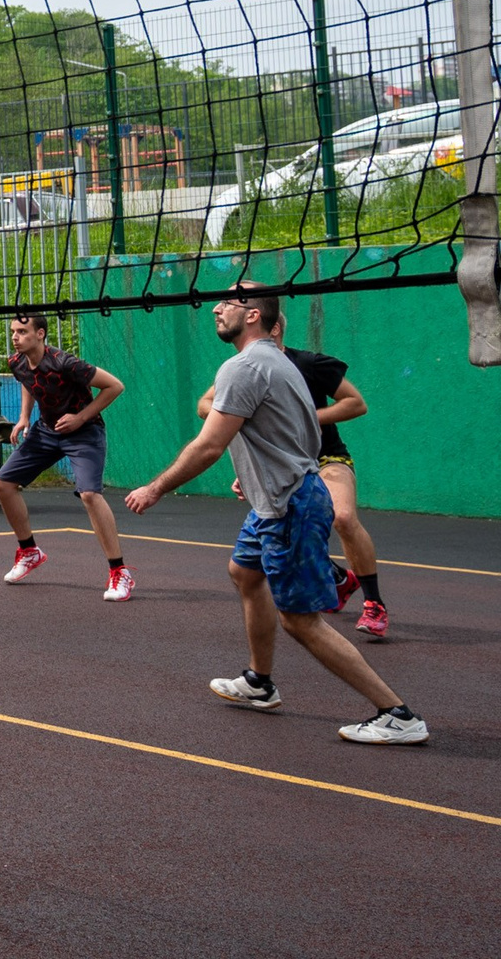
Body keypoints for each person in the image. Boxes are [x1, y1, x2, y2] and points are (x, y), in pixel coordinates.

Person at [125, 288, 426, 745]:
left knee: (300, 620)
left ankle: (397, 714)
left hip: (288, 505)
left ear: (253, 316)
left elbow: (209, 444)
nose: (215, 307)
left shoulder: (244, 367)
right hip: (277, 497)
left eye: (226, 303)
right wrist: (258, 473)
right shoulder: (277, 361)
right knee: (244, 574)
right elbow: (291, 434)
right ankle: (259, 683)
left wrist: (155, 487)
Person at [196, 317, 387, 637]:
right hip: (278, 466)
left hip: (326, 457)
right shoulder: (243, 369)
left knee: (342, 516)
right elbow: (205, 404)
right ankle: (338, 579)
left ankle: (374, 604)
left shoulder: (307, 364)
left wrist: (305, 416)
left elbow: (356, 403)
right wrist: (235, 411)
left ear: (274, 329)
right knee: (284, 531)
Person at [0, 314, 132, 599]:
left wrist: (80, 418)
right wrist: (23, 418)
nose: (15, 337)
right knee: (2, 484)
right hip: (46, 431)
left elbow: (115, 386)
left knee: (90, 495)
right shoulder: (16, 361)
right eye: (12, 331)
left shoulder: (65, 362)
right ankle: (29, 551)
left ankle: (120, 573)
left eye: (22, 331)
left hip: (85, 432)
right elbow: (28, 381)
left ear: (40, 333)